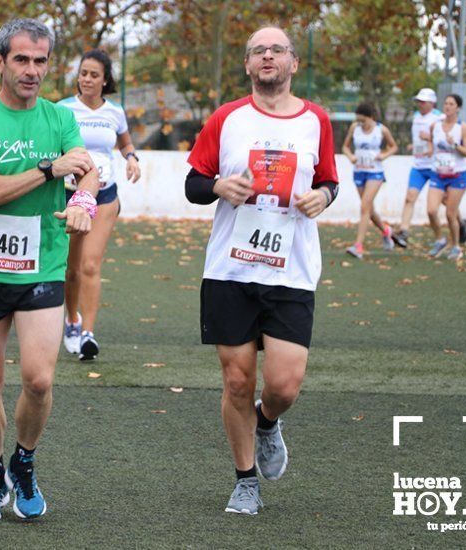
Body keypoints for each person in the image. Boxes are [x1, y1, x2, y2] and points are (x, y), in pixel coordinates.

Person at [184, 25, 339, 515]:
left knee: (283, 385)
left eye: (277, 49)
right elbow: (192, 183)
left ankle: (267, 421)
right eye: (258, 51)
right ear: (248, 65)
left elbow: (330, 181)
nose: (268, 56)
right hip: (230, 271)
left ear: (293, 63)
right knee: (236, 382)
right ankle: (245, 479)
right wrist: (218, 187)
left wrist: (323, 197)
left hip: (291, 272)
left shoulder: (316, 120)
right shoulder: (226, 118)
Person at [0, 18, 97, 521]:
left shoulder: (59, 120)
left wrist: (83, 199)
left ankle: (24, 462)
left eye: (40, 61)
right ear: (0, 62)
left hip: (42, 265)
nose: (32, 70)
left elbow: (88, 169)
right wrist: (47, 170)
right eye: (21, 59)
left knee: (38, 380)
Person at [59, 49, 141, 360]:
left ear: (105, 80)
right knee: (72, 269)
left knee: (91, 265)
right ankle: (71, 320)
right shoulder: (63, 110)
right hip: (68, 194)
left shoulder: (115, 112)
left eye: (94, 74)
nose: (87, 79)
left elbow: (125, 143)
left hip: (105, 196)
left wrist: (132, 158)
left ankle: (87, 335)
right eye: (83, 73)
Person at [341, 102, 398, 259]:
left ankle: (358, 246)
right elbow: (345, 147)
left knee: (365, 206)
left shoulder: (381, 130)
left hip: (375, 172)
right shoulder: (355, 128)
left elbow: (394, 146)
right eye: (358, 120)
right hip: (359, 172)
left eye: (363, 121)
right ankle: (386, 231)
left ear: (371, 117)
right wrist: (350, 156)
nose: (360, 123)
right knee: (369, 210)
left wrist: (384, 155)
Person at [392, 88, 444, 248]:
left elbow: (444, 141)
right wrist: (414, 145)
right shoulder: (415, 117)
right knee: (410, 197)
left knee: (448, 202)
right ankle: (404, 232)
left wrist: (429, 138)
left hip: (436, 166)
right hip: (419, 165)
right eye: (418, 101)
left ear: (432, 103)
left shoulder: (440, 118)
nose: (420, 104)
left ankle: (460, 223)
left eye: (423, 101)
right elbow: (419, 139)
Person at [425, 93, 466, 261]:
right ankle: (440, 239)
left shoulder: (462, 127)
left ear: (458, 108)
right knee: (431, 210)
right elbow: (432, 142)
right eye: (446, 103)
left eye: (451, 104)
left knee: (451, 214)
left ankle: (456, 246)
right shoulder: (435, 125)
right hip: (438, 173)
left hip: (457, 175)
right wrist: (429, 149)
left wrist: (455, 144)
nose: (448, 106)